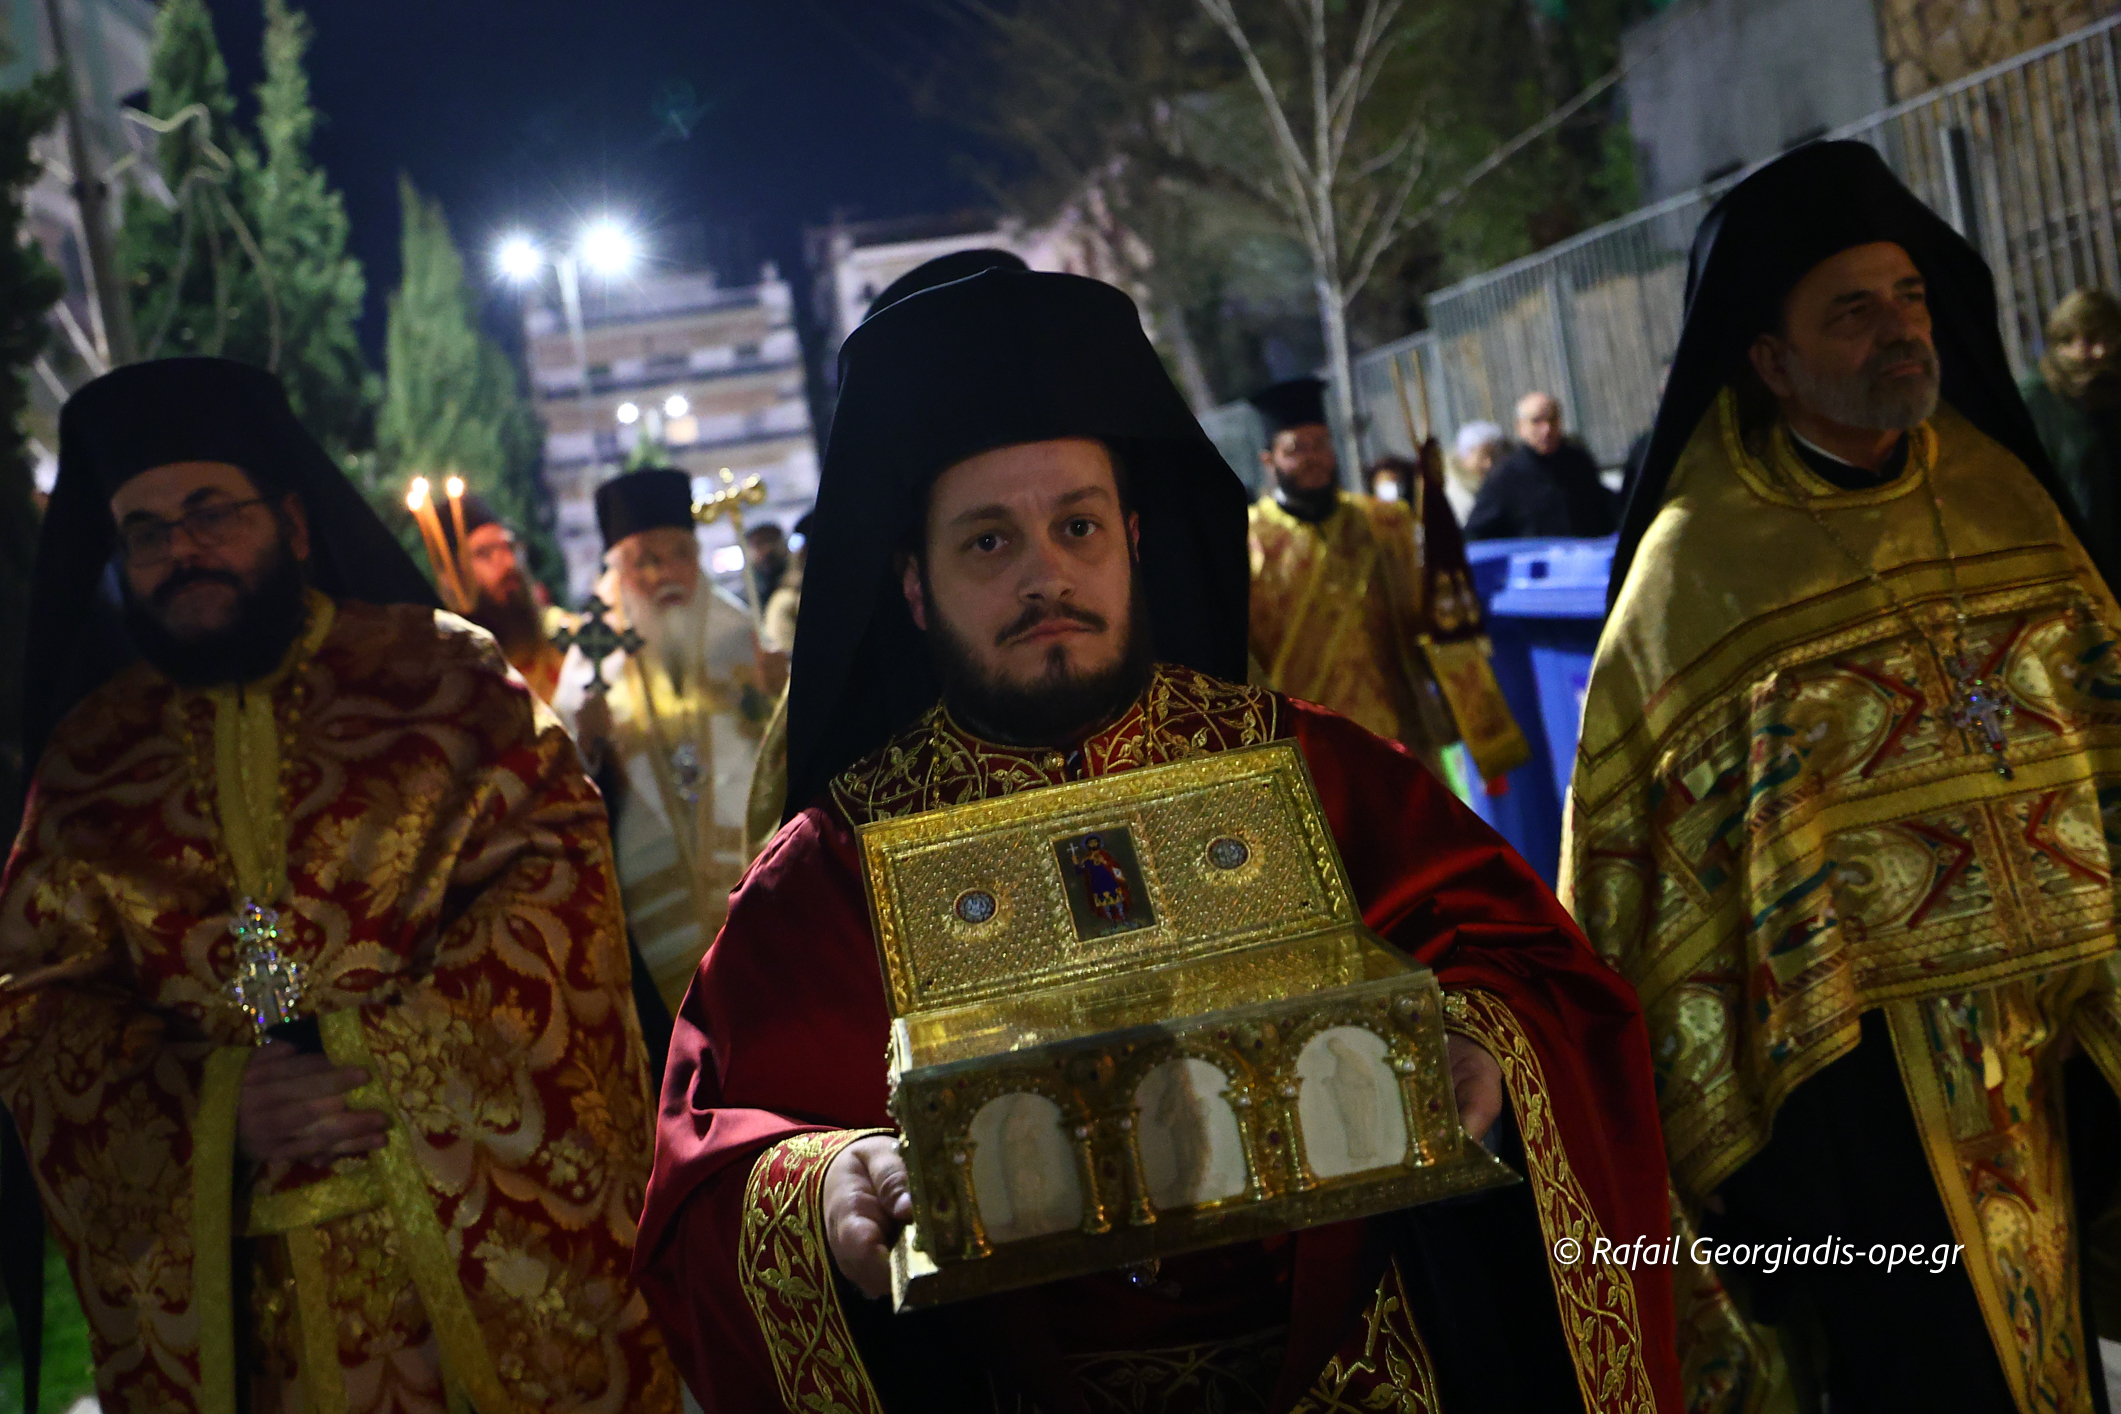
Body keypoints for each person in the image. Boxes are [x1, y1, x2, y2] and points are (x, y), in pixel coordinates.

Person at [633, 269, 1681, 1413]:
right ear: (915, 586)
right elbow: (704, 1166)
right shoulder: (830, 870)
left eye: (1077, 525)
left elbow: (1545, 980)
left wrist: (1484, 1043)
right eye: (987, 541)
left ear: (1133, 539)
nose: (1045, 574)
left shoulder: (1311, 767)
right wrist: (824, 1184)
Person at [0, 358, 676, 1412]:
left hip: (470, 1287)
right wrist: (210, 1104)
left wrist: (374, 1056)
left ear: (293, 524)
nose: (182, 550)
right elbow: (39, 1002)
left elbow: (557, 873)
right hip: (242, 1315)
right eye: (146, 532)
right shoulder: (89, 765)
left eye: (209, 512)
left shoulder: (445, 681)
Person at [1567, 141, 2121, 1413]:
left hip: (2057, 1039)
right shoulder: (1696, 568)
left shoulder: (2001, 494)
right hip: (1848, 1081)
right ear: (1770, 359)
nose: (1901, 330)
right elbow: (1640, 861)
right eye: (1853, 311)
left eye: (1910, 296)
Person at [554, 467, 770, 1031]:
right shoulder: (591, 656)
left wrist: (783, 694)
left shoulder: (739, 633)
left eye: (679, 554)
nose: (664, 573)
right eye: (644, 560)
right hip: (649, 895)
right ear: (618, 572)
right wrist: (588, 744)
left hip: (747, 870)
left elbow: (781, 756)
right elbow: (565, 785)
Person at [1245, 376, 1513, 780]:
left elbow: (1434, 615)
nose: (1313, 458)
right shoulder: (1248, 543)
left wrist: (1475, 716)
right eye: (1296, 449)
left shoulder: (1385, 523)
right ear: (1269, 460)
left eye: (1320, 444)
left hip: (1401, 737)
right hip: (1310, 752)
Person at [2021, 287, 2121, 584]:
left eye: (2109, 339)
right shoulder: (2037, 399)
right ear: (2063, 341)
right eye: (2089, 340)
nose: (2100, 352)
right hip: (2075, 562)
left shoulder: (2113, 387)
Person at [439, 491, 566, 702]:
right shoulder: (454, 678)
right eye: (485, 554)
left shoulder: (566, 636)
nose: (509, 563)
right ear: (452, 580)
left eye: (510, 547)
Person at [1463, 392, 1618, 540]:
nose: (1546, 429)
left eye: (1552, 420)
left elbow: (1604, 512)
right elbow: (1477, 534)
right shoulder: (1505, 477)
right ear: (1520, 427)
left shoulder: (1578, 463)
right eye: (1536, 421)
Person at [1448, 420, 1507, 526]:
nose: (1489, 464)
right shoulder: (1454, 492)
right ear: (1464, 457)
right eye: (1482, 457)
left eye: (1493, 456)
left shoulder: (1502, 483)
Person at [745, 519, 790, 607]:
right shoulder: (749, 591)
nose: (768, 548)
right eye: (759, 543)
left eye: (771, 540)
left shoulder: (798, 576)